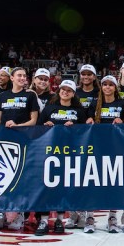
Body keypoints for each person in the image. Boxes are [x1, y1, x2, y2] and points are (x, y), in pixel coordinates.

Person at [36, 79, 92, 235]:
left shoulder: (79, 112)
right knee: (45, 187)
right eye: (63, 89)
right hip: (49, 152)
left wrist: (75, 128)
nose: (65, 92)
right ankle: (44, 220)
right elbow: (37, 129)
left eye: (69, 90)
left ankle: (60, 219)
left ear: (73, 94)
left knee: (63, 186)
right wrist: (45, 126)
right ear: (59, 90)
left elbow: (84, 134)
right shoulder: (49, 109)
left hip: (69, 154)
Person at [0, 67, 40, 230]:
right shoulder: (3, 96)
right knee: (3, 176)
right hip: (4, 142)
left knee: (20, 178)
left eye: (24, 76)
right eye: (19, 75)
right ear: (11, 78)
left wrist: (17, 126)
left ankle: (19, 212)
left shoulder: (30, 95)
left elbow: (33, 121)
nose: (22, 78)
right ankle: (0, 211)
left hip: (24, 141)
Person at [87, 75, 124, 233]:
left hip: (117, 149)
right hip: (97, 148)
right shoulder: (94, 104)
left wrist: (123, 122)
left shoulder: (121, 104)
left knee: (114, 183)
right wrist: (89, 120)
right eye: (105, 84)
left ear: (115, 88)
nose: (108, 87)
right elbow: (87, 122)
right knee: (92, 182)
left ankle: (112, 218)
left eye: (111, 85)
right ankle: (90, 217)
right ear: (101, 87)